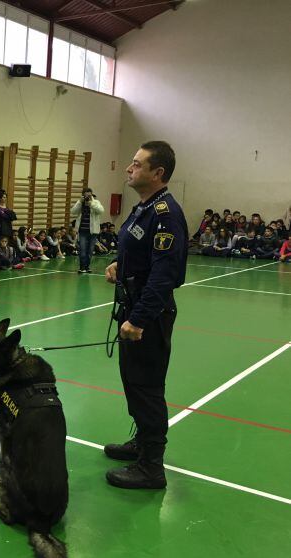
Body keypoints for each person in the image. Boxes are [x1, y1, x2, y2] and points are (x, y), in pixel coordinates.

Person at [104, 140, 187, 490]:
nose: (129, 168)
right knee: (133, 383)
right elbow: (142, 253)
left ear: (158, 173)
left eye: (137, 164)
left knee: (147, 387)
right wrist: (120, 265)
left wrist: (138, 320)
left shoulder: (166, 214)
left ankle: (152, 467)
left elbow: (164, 274)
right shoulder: (144, 208)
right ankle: (141, 444)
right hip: (133, 304)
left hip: (148, 314)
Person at [70, 187, 105, 274]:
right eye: (86, 195)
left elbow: (101, 211)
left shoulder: (96, 202)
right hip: (82, 231)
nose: (87, 197)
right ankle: (82, 267)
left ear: (91, 194)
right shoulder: (80, 203)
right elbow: (73, 211)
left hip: (93, 232)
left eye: (89, 195)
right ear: (83, 195)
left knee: (90, 250)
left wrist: (91, 204)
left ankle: (87, 266)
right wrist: (79, 202)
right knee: (82, 250)